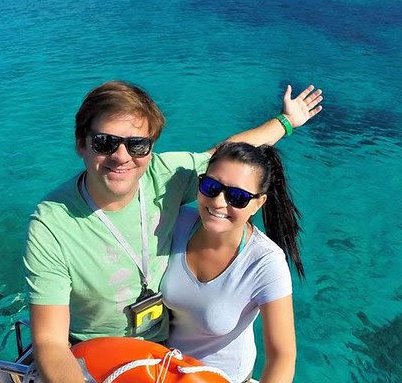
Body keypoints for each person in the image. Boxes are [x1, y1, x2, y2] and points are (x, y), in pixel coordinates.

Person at [23, 81, 322, 383]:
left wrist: (286, 122)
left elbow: (227, 160)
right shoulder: (52, 224)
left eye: (137, 144)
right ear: (80, 143)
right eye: (105, 142)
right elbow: (50, 342)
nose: (122, 156)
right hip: (92, 360)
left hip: (161, 356)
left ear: (150, 150)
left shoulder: (164, 179)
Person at [161, 142, 304, 383]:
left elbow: (282, 356)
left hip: (223, 378)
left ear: (258, 203)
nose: (218, 202)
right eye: (211, 186)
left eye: (237, 197)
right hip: (163, 367)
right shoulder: (176, 223)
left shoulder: (265, 262)